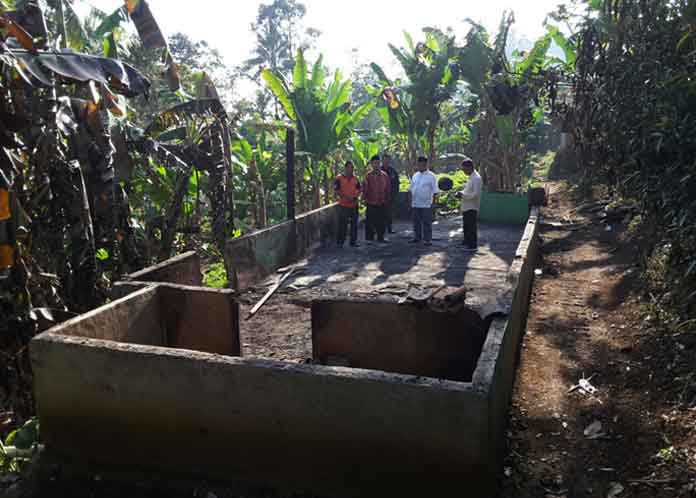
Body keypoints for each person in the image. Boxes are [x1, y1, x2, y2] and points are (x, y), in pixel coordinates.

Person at [409, 156, 439, 246]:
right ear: (417, 165)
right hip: (415, 203)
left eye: (423, 164)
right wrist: (410, 201)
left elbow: (435, 191)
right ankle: (417, 238)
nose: (421, 166)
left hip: (426, 204)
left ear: (426, 164)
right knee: (416, 222)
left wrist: (434, 204)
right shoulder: (415, 175)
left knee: (427, 222)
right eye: (419, 164)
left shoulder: (431, 176)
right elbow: (411, 189)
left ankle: (427, 239)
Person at [456, 157, 483, 252]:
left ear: (469, 167)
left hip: (472, 207)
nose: (463, 171)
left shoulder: (476, 178)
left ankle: (472, 245)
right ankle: (467, 242)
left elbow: (475, 194)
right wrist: (461, 193)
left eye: (464, 169)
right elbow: (468, 190)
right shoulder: (471, 177)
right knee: (466, 226)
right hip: (467, 206)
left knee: (471, 227)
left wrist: (463, 195)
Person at [362, 155, 391, 243]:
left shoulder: (384, 175)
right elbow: (365, 188)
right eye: (374, 163)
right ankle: (369, 238)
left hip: (382, 202)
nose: (376, 165)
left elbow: (388, 188)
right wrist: (364, 199)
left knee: (381, 221)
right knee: (370, 221)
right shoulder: (368, 176)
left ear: (380, 163)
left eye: (378, 163)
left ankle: (380, 237)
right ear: (371, 164)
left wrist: (387, 199)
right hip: (371, 202)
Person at [334, 160, 361, 247]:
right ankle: (340, 242)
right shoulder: (339, 178)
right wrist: (347, 197)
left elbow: (359, 189)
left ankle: (353, 242)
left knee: (354, 225)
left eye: (352, 168)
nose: (351, 169)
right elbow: (337, 190)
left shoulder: (356, 179)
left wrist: (354, 197)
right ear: (345, 168)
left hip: (354, 205)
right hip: (343, 205)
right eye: (349, 167)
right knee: (342, 225)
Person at [381, 154, 400, 234]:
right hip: (380, 196)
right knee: (380, 213)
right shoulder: (379, 170)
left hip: (390, 196)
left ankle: (389, 228)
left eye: (387, 160)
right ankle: (380, 229)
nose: (386, 161)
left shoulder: (393, 171)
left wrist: (395, 194)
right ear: (382, 160)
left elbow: (397, 183)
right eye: (384, 159)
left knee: (389, 213)